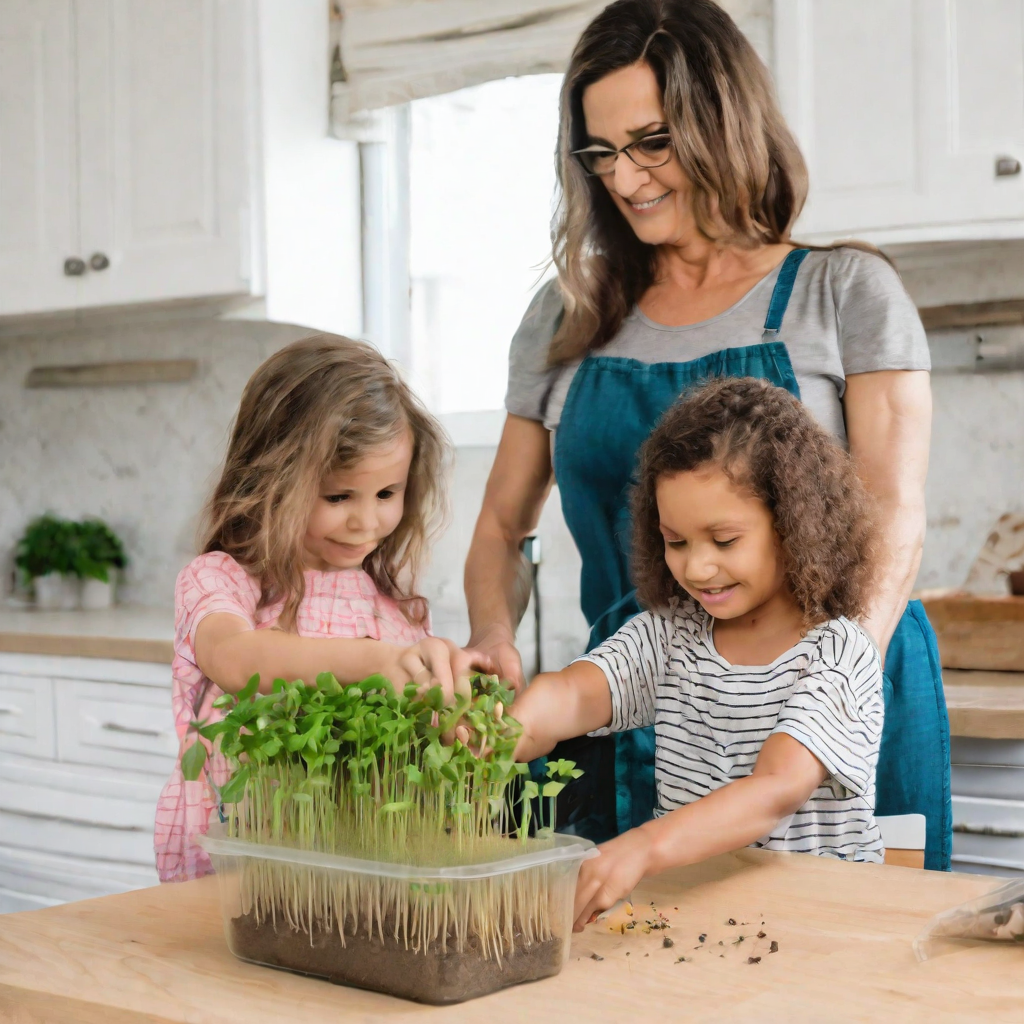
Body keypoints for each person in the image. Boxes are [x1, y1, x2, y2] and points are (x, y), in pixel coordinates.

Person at [464, 0, 950, 868]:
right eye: (600, 152)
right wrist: (494, 638)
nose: (626, 177)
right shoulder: (566, 319)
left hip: (840, 688)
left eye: (652, 142)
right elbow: (505, 527)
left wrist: (830, 691)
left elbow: (893, 517)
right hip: (641, 689)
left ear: (720, 120)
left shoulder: (844, 293)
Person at [511, 377, 884, 929]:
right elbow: (571, 694)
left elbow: (773, 790)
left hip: (815, 925)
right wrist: (498, 730)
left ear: (794, 525)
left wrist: (641, 846)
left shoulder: (837, 653)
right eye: (677, 541)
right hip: (692, 921)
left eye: (724, 541)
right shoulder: (670, 635)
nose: (697, 567)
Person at [154, 335, 490, 882]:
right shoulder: (223, 582)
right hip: (236, 862)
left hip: (354, 869)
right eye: (338, 497)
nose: (366, 522)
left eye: (387, 494)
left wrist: (460, 708)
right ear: (270, 480)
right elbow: (235, 659)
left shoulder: (395, 609)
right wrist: (376, 663)